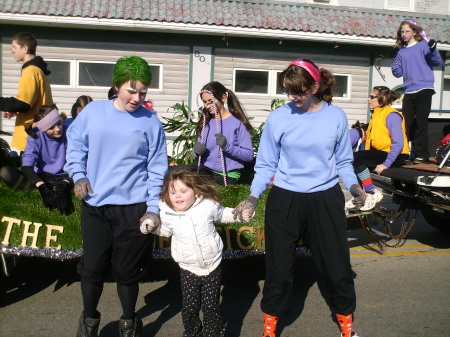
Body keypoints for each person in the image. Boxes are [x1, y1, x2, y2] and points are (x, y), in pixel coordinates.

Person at [233, 58, 365, 337]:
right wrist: (254, 196)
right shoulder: (279, 117)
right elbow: (266, 164)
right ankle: (270, 327)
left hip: (325, 199)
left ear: (316, 86)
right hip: (286, 199)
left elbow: (343, 162)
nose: (292, 97)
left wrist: (354, 188)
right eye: (288, 91)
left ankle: (346, 323)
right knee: (279, 269)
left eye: (299, 91)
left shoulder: (336, 116)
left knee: (336, 266)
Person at [65, 56, 168, 337]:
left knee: (127, 270)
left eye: (143, 92)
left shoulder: (150, 122)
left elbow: (157, 167)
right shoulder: (93, 113)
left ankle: (128, 321)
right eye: (131, 90)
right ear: (116, 85)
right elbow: (75, 147)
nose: (137, 97)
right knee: (93, 266)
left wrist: (152, 208)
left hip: (133, 208)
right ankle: (89, 320)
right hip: (96, 205)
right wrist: (78, 174)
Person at [141, 166, 251, 337]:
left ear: (196, 191)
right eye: (173, 192)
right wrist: (152, 227)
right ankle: (192, 332)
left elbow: (224, 215)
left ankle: (212, 333)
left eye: (183, 191)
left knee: (210, 306)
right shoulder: (168, 214)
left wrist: (240, 214)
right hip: (188, 267)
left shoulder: (207, 206)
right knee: (190, 307)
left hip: (212, 265)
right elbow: (164, 231)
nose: (178, 196)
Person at [0, 104, 74, 214]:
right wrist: (42, 187)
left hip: (67, 173)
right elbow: (27, 165)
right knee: (5, 172)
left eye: (59, 123)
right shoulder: (35, 134)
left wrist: (64, 184)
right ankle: (39, 187)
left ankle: (61, 187)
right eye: (51, 127)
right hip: (43, 176)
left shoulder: (70, 132)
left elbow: (78, 162)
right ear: (43, 129)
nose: (58, 129)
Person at [346, 86, 409, 212]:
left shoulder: (391, 115)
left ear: (383, 98)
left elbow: (398, 143)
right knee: (352, 160)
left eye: (372, 97)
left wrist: (386, 164)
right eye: (369, 96)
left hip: (395, 156)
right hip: (381, 153)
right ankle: (360, 196)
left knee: (356, 158)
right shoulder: (376, 115)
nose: (369, 99)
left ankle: (372, 192)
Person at [389, 19, 443, 163]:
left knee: (421, 122)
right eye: (402, 32)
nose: (404, 34)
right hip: (409, 91)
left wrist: (433, 49)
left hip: (424, 88)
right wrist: (394, 57)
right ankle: (406, 151)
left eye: (407, 31)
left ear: (414, 32)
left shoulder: (423, 45)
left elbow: (437, 62)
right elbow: (397, 73)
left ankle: (422, 154)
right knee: (406, 123)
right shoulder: (401, 52)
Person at [0, 32, 53, 153]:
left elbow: (23, 104)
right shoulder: (38, 70)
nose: (12, 51)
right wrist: (14, 109)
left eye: (14, 47)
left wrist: (13, 106)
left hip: (32, 135)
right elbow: (31, 101)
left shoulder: (30, 70)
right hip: (38, 134)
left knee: (28, 170)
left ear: (25, 48)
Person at [193, 81, 254, 185]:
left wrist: (227, 147)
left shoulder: (237, 123)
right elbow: (198, 154)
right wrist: (196, 152)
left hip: (227, 175)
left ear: (223, 98)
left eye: (211, 101)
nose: (207, 106)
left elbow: (249, 155)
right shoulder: (206, 121)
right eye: (204, 102)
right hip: (206, 171)